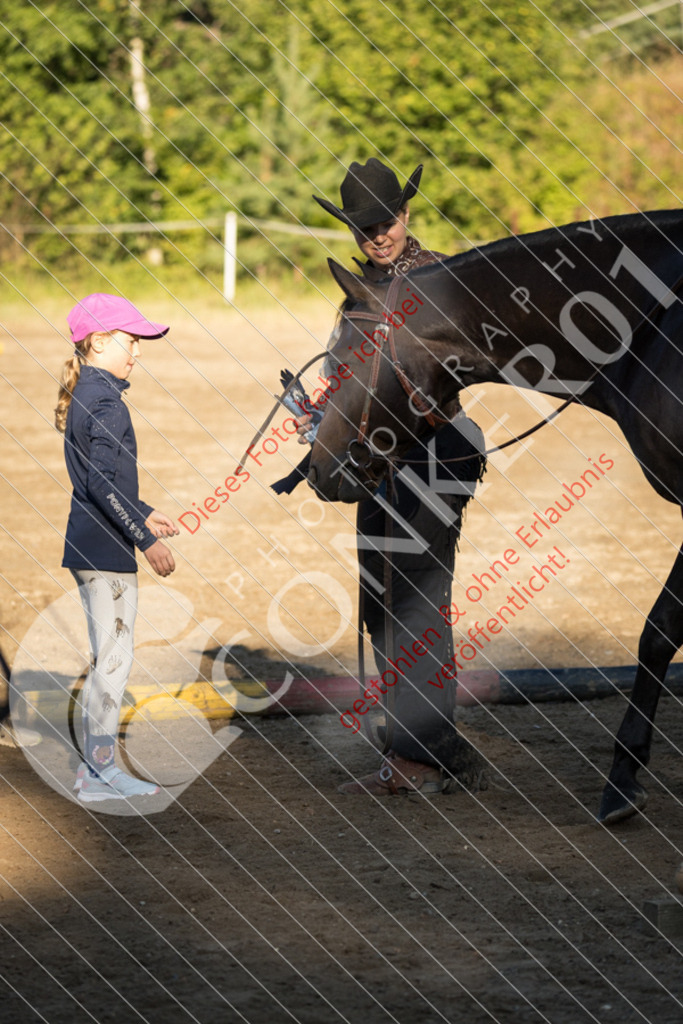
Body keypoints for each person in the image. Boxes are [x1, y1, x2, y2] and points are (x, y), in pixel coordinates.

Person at [295, 158, 486, 795]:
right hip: (377, 463)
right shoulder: (356, 289)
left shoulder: (439, 279)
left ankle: (425, 760)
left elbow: (460, 368)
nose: (377, 235)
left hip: (433, 458)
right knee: (382, 603)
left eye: (386, 221)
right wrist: (322, 414)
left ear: (406, 214)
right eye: (363, 227)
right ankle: (411, 752)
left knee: (418, 605)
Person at [55, 293, 178, 803]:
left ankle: (96, 769)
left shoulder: (88, 392)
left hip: (89, 543)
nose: (137, 352)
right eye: (130, 341)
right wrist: (144, 539)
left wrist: (143, 509)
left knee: (108, 654)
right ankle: (98, 774)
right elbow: (104, 486)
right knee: (113, 660)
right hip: (104, 550)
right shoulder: (105, 400)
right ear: (100, 342)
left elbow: (94, 479)